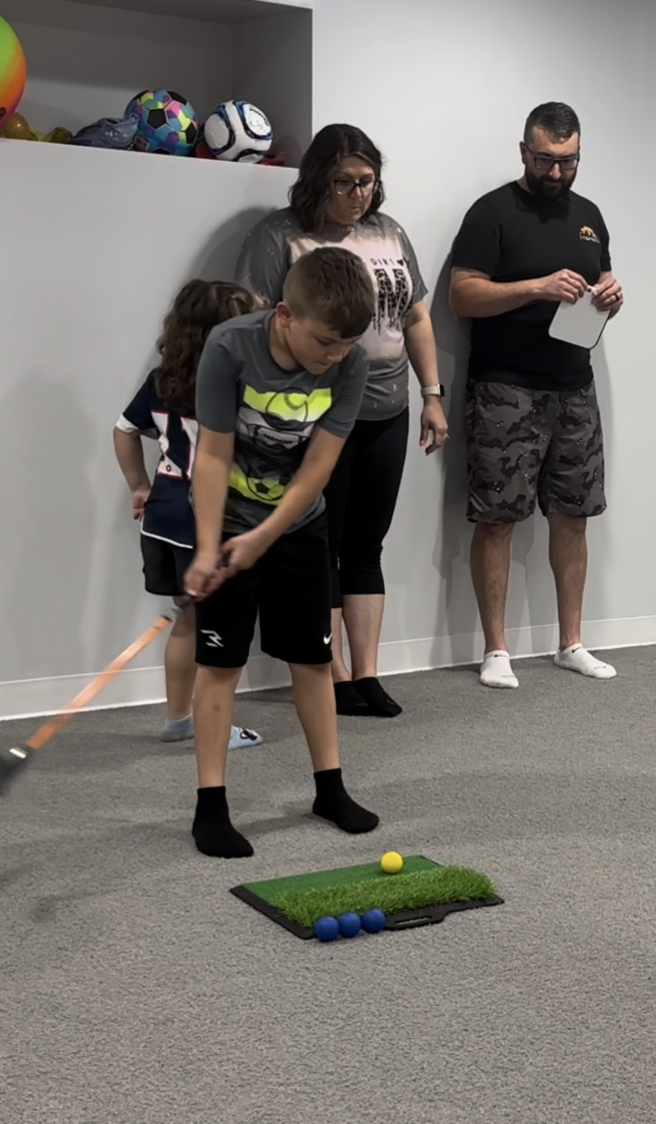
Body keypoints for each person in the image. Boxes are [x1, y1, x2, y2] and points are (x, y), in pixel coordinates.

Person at [238, 124, 448, 720]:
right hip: (317, 415)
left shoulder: (390, 232)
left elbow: (416, 319)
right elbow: (256, 323)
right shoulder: (280, 236)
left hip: (388, 409)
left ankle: (367, 672)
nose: (358, 194)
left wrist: (432, 395)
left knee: (366, 544)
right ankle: (329, 672)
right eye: (344, 183)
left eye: (367, 182)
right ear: (317, 181)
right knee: (320, 545)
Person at [181, 248, 381, 859]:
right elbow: (212, 455)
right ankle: (210, 807)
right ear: (286, 314)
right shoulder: (229, 347)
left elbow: (318, 467)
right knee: (220, 665)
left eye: (347, 344)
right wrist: (209, 548)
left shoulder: (351, 364)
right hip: (227, 519)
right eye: (326, 342)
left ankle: (330, 789)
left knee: (314, 660)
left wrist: (264, 537)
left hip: (298, 528)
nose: (335, 356)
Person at [448, 102, 625, 690]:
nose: (556, 172)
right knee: (498, 519)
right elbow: (462, 296)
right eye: (545, 159)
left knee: (574, 517)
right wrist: (537, 287)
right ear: (524, 151)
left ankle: (571, 643)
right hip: (505, 386)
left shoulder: (590, 216)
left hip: (575, 385)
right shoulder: (492, 212)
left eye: (567, 161)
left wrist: (610, 296)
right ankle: (496, 649)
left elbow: (601, 282)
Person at [111, 280, 269, 750]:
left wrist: (140, 485)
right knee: (218, 629)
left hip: (164, 518)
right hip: (209, 521)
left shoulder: (164, 379)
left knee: (187, 622)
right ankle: (211, 724)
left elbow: (124, 430)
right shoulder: (238, 384)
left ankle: (180, 719)